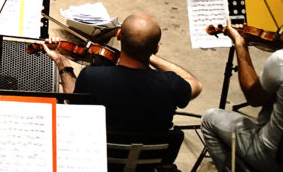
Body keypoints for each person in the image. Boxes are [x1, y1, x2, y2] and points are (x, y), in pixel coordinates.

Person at [42, 12, 201, 134]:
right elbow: (195, 85)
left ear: (118, 36)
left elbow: (73, 107)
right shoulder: (171, 84)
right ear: (156, 49)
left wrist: (62, 64)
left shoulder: (93, 77)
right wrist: (147, 53)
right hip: (148, 162)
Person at [200, 23, 282, 171]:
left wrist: (240, 43)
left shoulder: (280, 60)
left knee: (209, 119)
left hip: (274, 156)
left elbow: (254, 98)